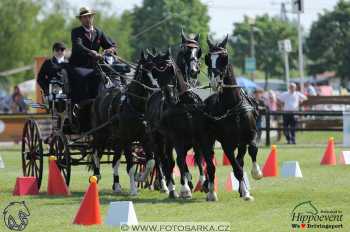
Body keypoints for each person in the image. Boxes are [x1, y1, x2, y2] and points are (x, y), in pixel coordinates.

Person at [69, 6, 117, 103]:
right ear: (80, 19)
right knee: (88, 78)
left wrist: (110, 50)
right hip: (79, 66)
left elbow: (110, 45)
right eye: (85, 17)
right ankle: (81, 103)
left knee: (110, 76)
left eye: (90, 16)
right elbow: (78, 46)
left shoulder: (98, 32)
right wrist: (92, 52)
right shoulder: (76, 32)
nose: (88, 19)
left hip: (96, 67)